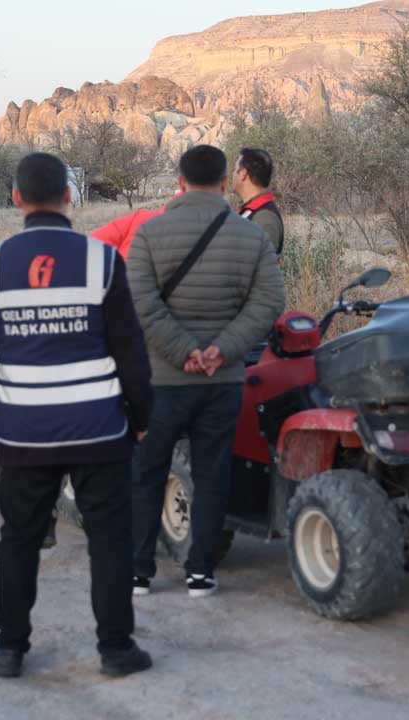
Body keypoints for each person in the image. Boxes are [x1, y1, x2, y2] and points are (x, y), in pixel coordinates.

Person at [0, 152, 155, 679]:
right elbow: (130, 351)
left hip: (23, 432)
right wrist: (141, 415)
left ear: (17, 198)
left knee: (19, 538)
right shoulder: (102, 261)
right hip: (99, 428)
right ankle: (116, 649)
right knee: (110, 537)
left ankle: (9, 648)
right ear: (70, 196)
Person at [126, 145, 285, 597]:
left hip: (162, 380)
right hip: (223, 381)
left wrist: (182, 352)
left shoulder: (149, 235)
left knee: (148, 471)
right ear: (221, 182)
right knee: (213, 474)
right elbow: (270, 302)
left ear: (179, 182)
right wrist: (221, 350)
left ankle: (139, 571)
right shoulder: (250, 236)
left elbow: (141, 303)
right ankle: (200, 572)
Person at [233, 147, 284, 255]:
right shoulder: (248, 211)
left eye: (234, 170)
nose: (233, 175)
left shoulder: (265, 217)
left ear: (243, 174)